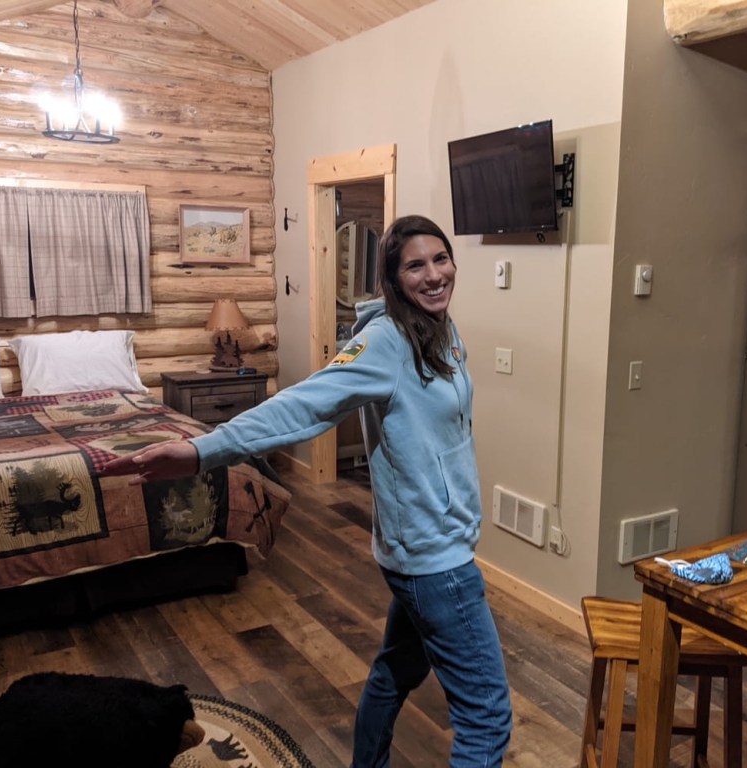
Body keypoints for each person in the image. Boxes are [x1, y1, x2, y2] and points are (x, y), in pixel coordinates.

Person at [102, 214, 513, 766]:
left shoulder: (440, 330)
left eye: (441, 259)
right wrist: (203, 450)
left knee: (395, 673)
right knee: (486, 716)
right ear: (394, 278)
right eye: (416, 266)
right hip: (434, 558)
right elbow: (304, 404)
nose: (435, 275)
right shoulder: (385, 342)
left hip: (431, 542)